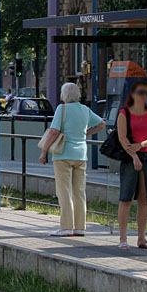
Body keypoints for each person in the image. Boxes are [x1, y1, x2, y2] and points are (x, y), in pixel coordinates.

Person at [39, 82, 106, 236]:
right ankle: (80, 227)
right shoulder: (85, 110)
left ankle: (66, 227)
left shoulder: (61, 109)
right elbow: (101, 124)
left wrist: (44, 152)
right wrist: (86, 133)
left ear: (64, 95)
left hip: (63, 155)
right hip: (81, 155)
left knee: (64, 191)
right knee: (79, 192)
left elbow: (54, 131)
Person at [116, 80, 147, 250]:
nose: (144, 96)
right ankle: (123, 238)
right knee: (126, 197)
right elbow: (122, 138)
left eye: (146, 93)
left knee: (145, 199)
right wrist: (134, 155)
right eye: (140, 92)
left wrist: (141, 145)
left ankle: (142, 238)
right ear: (132, 95)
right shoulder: (124, 113)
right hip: (130, 157)